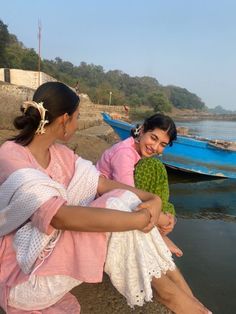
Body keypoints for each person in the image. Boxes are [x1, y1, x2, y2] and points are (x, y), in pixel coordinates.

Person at [0, 82, 211, 314]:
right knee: (119, 205)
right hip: (24, 277)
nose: (78, 124)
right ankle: (173, 297)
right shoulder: (11, 155)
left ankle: (185, 299)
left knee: (121, 199)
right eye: (77, 118)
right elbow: (59, 217)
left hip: (49, 256)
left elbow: (102, 183)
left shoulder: (60, 154)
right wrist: (143, 220)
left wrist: (153, 200)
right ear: (64, 120)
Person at [96, 113, 183, 257]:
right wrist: (163, 220)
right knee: (152, 167)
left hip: (113, 195)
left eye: (162, 145)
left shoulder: (137, 152)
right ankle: (159, 235)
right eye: (153, 138)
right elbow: (128, 196)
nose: (154, 147)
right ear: (142, 131)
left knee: (154, 167)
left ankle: (158, 229)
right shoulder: (125, 153)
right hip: (99, 201)